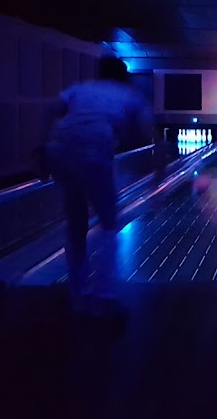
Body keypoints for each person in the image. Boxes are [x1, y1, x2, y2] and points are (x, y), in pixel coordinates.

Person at [42, 55, 154, 315]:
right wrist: (157, 170)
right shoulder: (129, 94)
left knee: (76, 223)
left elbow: (50, 110)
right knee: (108, 222)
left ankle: (79, 291)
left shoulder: (81, 88)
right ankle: (105, 293)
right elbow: (148, 132)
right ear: (123, 76)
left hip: (59, 149)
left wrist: (41, 149)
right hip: (93, 151)